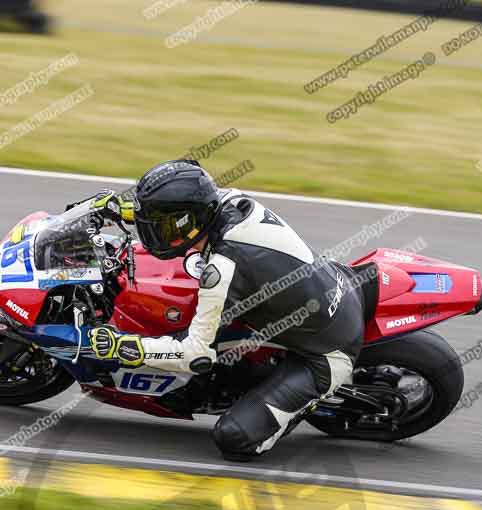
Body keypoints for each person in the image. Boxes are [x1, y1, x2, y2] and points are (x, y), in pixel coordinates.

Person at [88, 160, 365, 461]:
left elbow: (195, 356)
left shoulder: (223, 267)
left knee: (234, 438)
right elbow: (177, 207)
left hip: (323, 353)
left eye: (162, 225)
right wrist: (123, 210)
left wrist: (123, 346)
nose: (155, 231)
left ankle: (299, 407)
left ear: (189, 220)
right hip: (332, 283)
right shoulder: (224, 200)